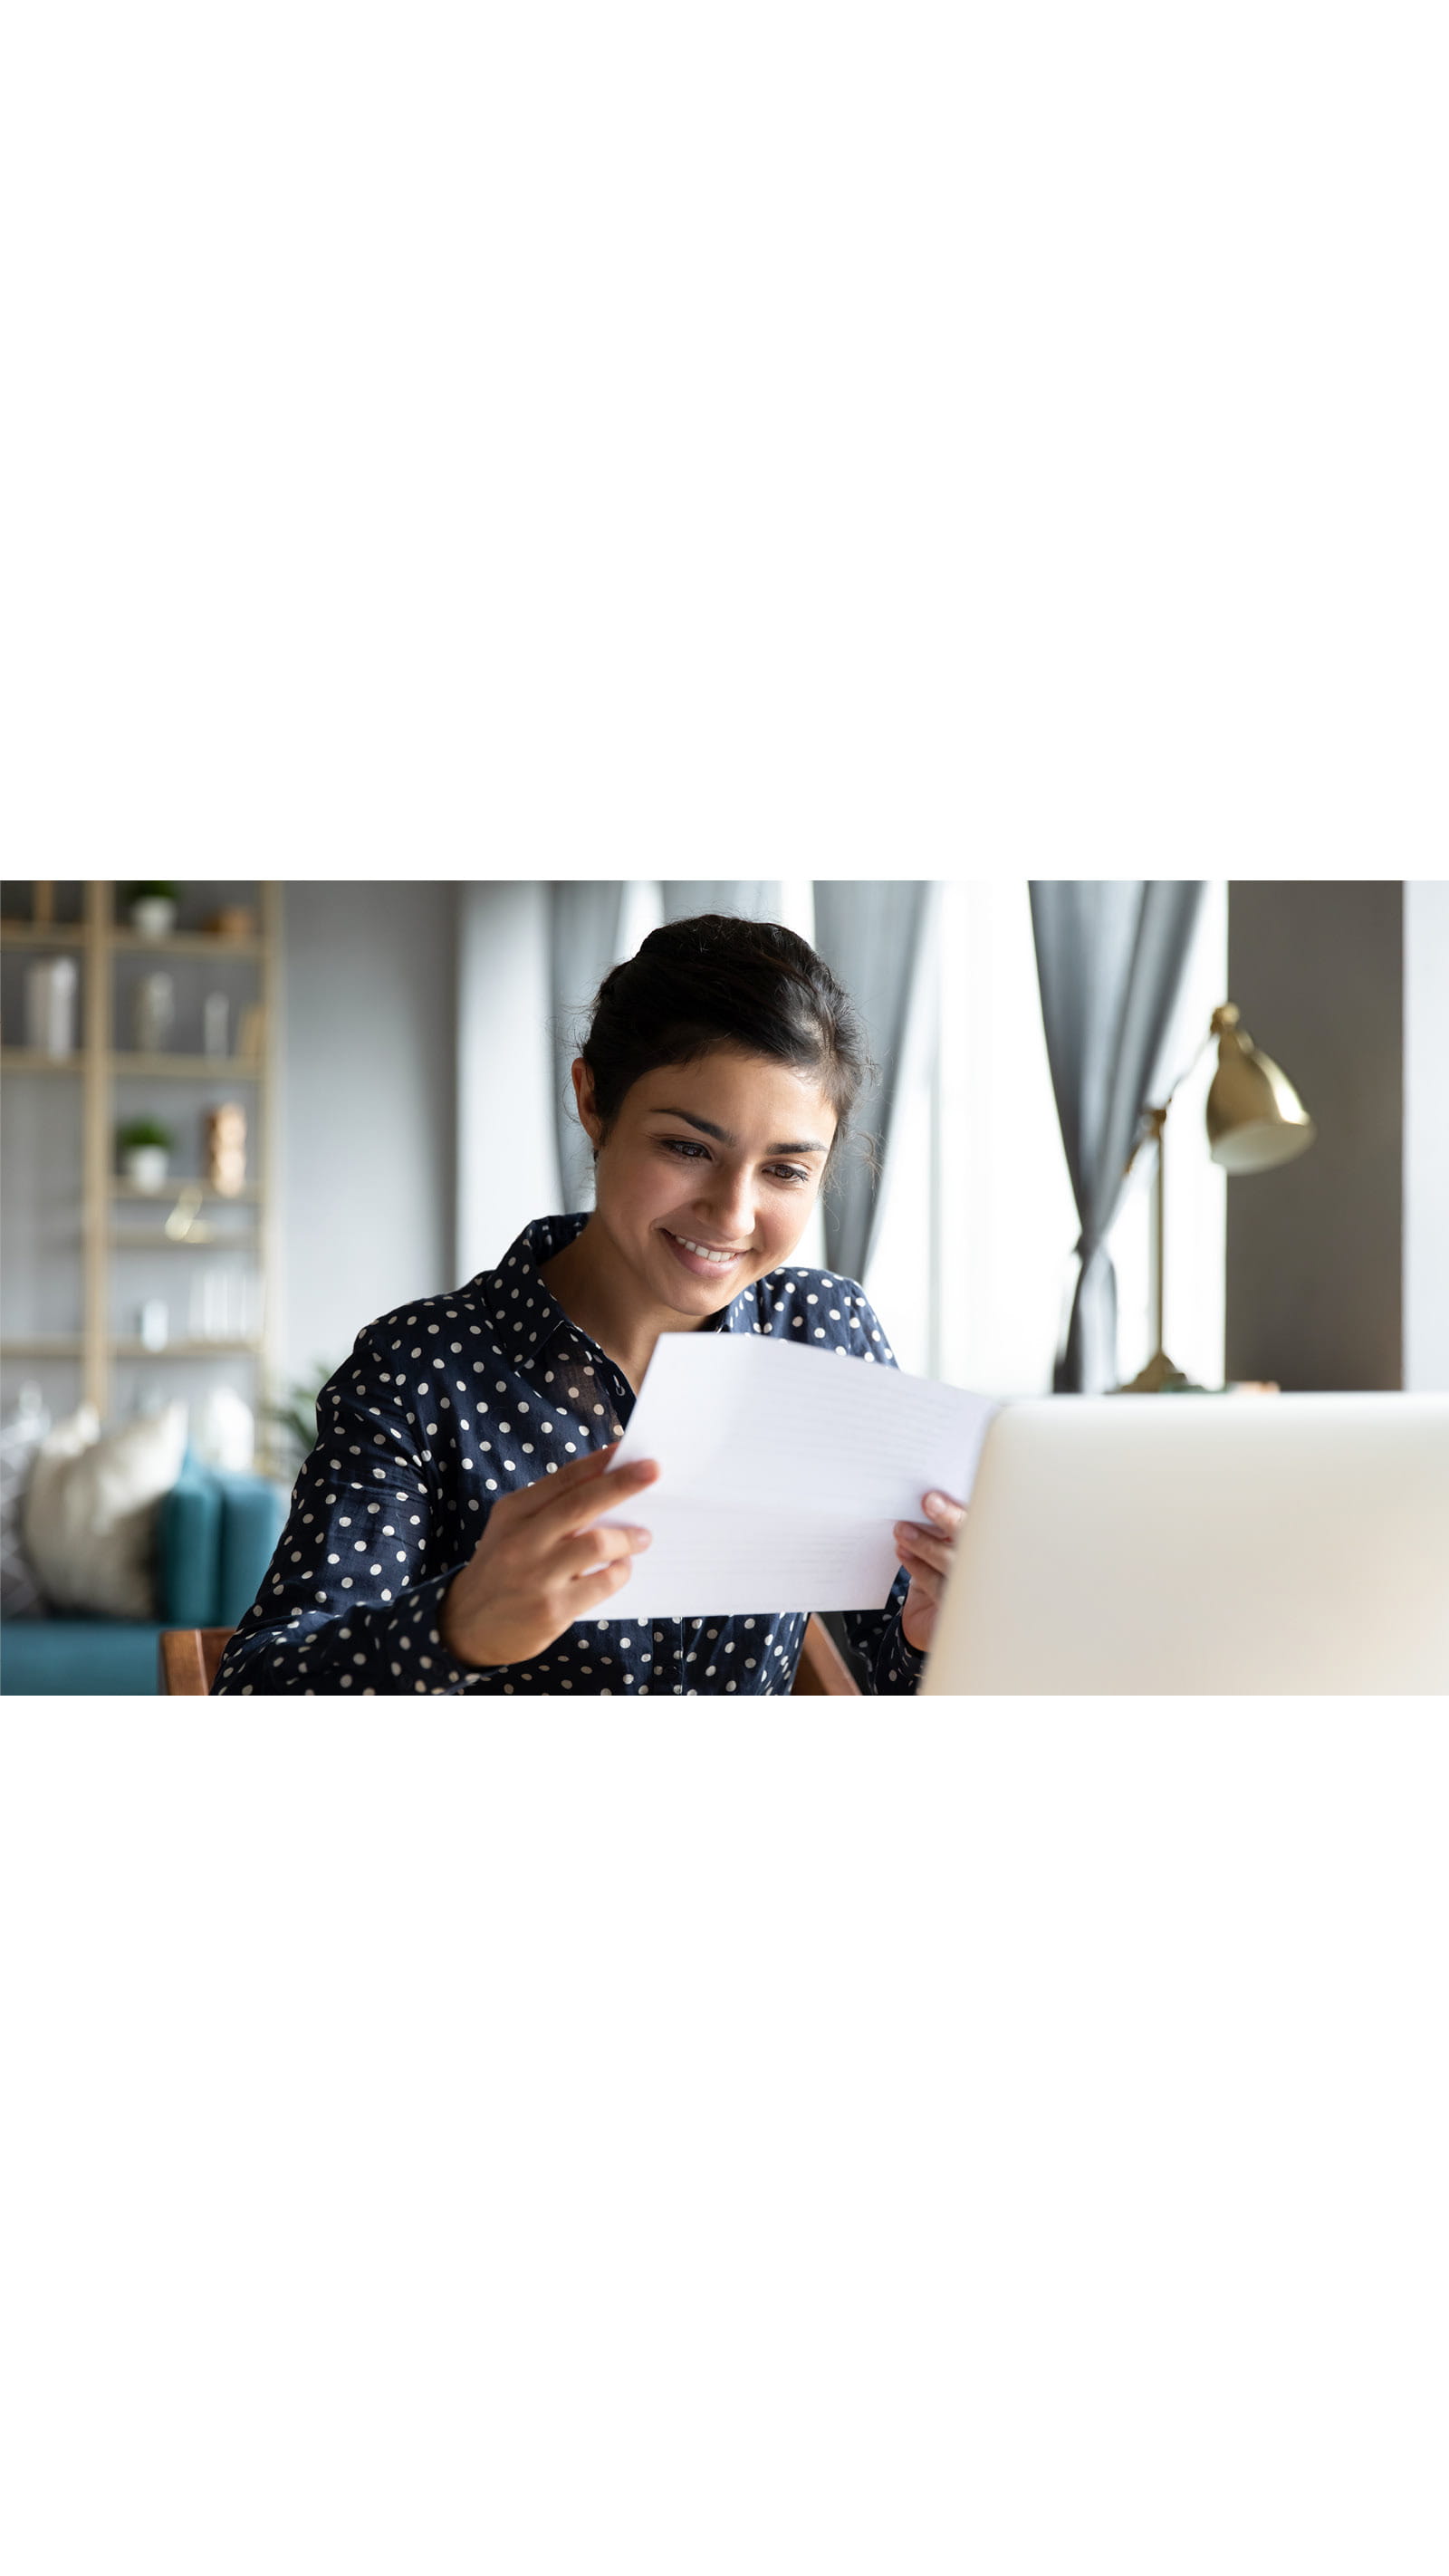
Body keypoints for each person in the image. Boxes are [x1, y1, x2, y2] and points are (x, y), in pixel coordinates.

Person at [213, 915, 964, 1696]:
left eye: (784, 1171)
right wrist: (455, 1627)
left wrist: (944, 1637)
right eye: (688, 1148)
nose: (733, 1216)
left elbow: (902, 1672)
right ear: (593, 1102)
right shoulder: (419, 1371)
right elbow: (255, 1689)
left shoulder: (825, 1337)